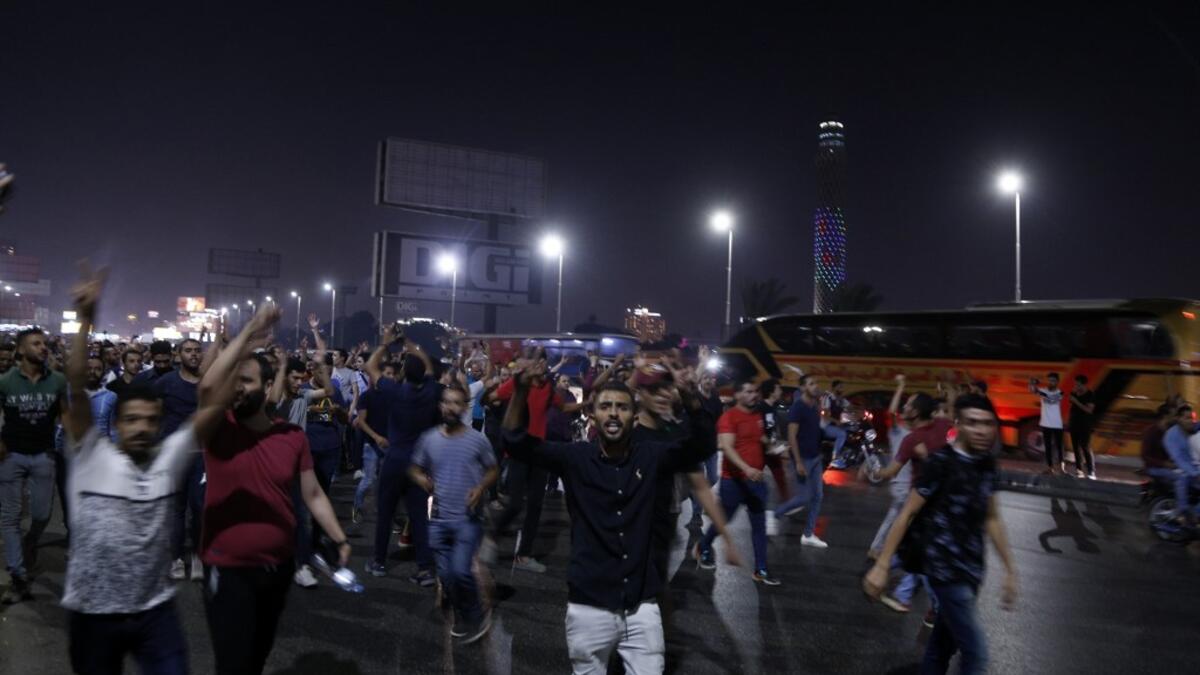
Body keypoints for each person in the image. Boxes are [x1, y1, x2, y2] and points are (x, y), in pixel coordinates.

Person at [57, 263, 224, 674]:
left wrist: (231, 340)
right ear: (115, 424)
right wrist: (84, 322)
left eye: (151, 419)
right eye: (132, 419)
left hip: (155, 612)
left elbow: (213, 401)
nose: (143, 427)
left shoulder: (168, 457)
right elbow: (75, 385)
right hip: (92, 612)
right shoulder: (91, 456)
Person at [501, 356, 717, 674]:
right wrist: (519, 391)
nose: (614, 413)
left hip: (641, 607)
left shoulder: (652, 456)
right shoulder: (575, 458)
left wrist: (691, 399)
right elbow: (515, 442)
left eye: (622, 407)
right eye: (605, 407)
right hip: (589, 605)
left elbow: (702, 445)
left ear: (633, 416)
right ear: (592, 414)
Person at [196, 304, 352, 675]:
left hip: (277, 567)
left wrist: (339, 538)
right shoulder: (219, 429)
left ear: (268, 387)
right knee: (233, 662)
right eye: (234, 380)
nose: (237, 387)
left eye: (246, 380)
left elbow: (313, 494)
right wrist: (249, 330)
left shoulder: (292, 436)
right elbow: (206, 385)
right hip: (227, 566)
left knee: (259, 652)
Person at [864, 394, 1018, 675]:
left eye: (987, 423)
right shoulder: (941, 463)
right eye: (973, 423)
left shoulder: (988, 465)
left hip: (972, 569)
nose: (982, 430)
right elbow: (907, 512)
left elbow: (993, 518)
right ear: (956, 425)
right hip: (944, 571)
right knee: (976, 654)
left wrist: (1009, 569)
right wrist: (883, 564)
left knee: (941, 647)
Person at [408, 383, 499, 643]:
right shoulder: (429, 439)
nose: (450, 407)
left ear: (465, 407)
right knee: (446, 576)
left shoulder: (477, 440)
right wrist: (422, 480)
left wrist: (481, 488)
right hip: (438, 519)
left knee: (459, 571)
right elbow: (415, 467)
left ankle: (474, 614)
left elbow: (492, 469)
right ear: (441, 405)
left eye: (457, 402)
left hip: (467, 519)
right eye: (447, 402)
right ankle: (464, 610)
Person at [488, 347, 579, 573]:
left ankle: (524, 555)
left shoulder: (548, 388)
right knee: (516, 503)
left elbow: (564, 406)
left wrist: (589, 405)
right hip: (519, 451)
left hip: (540, 452)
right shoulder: (519, 383)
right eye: (536, 361)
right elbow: (493, 397)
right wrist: (498, 404)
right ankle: (490, 538)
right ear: (529, 364)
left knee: (536, 506)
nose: (540, 365)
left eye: (543, 362)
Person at [364, 327, 441, 585]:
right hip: (419, 463)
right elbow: (428, 364)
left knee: (385, 511)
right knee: (419, 514)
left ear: (402, 373)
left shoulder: (394, 391)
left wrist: (386, 343)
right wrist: (409, 342)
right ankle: (425, 568)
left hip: (395, 458)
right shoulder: (432, 390)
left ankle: (378, 561)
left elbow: (371, 366)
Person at [0, 327, 67, 604]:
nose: (43, 348)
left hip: (44, 455)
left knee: (42, 514)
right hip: (11, 455)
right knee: (10, 517)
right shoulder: (6, 382)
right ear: (20, 350)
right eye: (35, 344)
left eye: (44, 343)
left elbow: (65, 414)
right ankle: (18, 573)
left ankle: (30, 544)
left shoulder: (58, 381)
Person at [697, 379, 778, 584]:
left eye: (756, 391)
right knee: (723, 520)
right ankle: (703, 546)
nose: (755, 395)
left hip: (756, 481)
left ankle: (761, 569)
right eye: (749, 391)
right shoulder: (729, 417)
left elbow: (759, 438)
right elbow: (727, 447)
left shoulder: (757, 415)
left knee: (759, 526)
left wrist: (772, 448)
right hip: (733, 481)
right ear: (738, 395)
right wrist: (746, 468)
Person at [162, 338, 211, 582]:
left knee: (200, 508)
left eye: (196, 350)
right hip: (175, 457)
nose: (193, 355)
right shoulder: (166, 383)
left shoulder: (209, 382)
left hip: (202, 456)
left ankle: (198, 555)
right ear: (178, 354)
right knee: (177, 510)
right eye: (188, 350)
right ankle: (177, 558)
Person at [774, 374, 828, 548]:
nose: (816, 386)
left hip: (816, 458)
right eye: (811, 384)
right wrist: (797, 462)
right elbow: (791, 436)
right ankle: (775, 514)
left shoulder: (814, 407)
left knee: (818, 496)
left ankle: (808, 534)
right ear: (803, 388)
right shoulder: (798, 408)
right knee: (804, 497)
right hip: (802, 459)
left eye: (816, 383)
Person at [352, 361, 395, 524]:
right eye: (388, 374)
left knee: (386, 481)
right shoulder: (367, 396)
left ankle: (384, 511)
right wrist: (376, 437)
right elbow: (361, 421)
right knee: (369, 479)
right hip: (372, 444)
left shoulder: (394, 395)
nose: (391, 377)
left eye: (392, 374)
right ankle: (357, 507)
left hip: (390, 444)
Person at [1162, 404, 1200, 524]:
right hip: (1182, 470)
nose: (1191, 421)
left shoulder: (1192, 428)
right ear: (1178, 419)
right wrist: (1195, 473)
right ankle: (1190, 515)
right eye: (1187, 418)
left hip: (1195, 466)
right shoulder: (1171, 436)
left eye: (1191, 418)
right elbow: (1179, 459)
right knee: (1182, 478)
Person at [1030, 373, 1065, 474]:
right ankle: (1050, 468)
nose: (1051, 382)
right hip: (1045, 423)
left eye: (1053, 381)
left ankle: (1062, 468)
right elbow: (1032, 390)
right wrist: (1032, 383)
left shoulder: (1060, 393)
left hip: (1057, 424)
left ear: (1057, 382)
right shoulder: (1043, 390)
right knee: (1048, 447)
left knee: (1059, 447)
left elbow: (1052, 400)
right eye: (1049, 380)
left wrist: (1039, 392)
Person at [1069, 375, 1097, 479]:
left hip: (1085, 424)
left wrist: (1076, 401)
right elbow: (1072, 406)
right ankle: (1079, 470)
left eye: (1078, 384)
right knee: (1076, 448)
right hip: (1074, 424)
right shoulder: (1074, 393)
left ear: (1083, 384)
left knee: (1085, 447)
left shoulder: (1090, 394)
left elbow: (1089, 410)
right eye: (1075, 384)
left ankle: (1091, 472)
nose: (1076, 386)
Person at [1141, 404, 1177, 484]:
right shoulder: (1151, 431)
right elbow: (1145, 456)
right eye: (1174, 415)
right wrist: (1164, 464)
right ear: (1165, 416)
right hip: (1154, 468)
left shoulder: (1172, 431)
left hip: (1169, 467)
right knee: (1180, 477)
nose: (1176, 418)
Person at [823, 380, 851, 469]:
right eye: (840, 387)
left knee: (852, 431)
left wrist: (860, 410)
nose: (842, 389)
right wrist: (836, 421)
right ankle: (834, 459)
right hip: (826, 426)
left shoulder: (842, 400)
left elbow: (851, 407)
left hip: (836, 425)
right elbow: (825, 415)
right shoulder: (828, 398)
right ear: (834, 388)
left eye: (842, 387)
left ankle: (847, 455)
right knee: (842, 434)